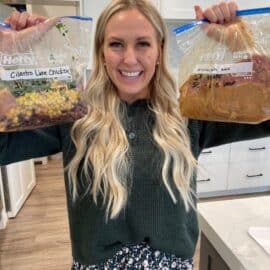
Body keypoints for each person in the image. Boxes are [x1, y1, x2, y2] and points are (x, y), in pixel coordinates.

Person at [0, 1, 269, 269]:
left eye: (143, 44)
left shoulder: (190, 114)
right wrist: (14, 59)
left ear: (160, 51)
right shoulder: (75, 117)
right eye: (116, 44)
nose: (129, 58)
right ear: (101, 52)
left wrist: (241, 46)